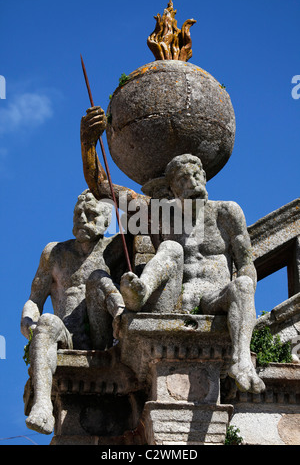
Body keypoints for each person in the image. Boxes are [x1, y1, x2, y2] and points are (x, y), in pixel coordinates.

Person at [80, 106, 266, 395]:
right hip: (177, 299)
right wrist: (89, 144)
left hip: (215, 298)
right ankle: (141, 290)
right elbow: (101, 186)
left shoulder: (227, 213)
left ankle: (241, 360)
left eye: (195, 175)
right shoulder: (161, 214)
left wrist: (245, 297)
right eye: (182, 180)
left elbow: (245, 264)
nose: (191, 182)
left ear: (204, 176)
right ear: (173, 189)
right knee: (170, 247)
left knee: (242, 284)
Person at [21, 189, 130, 434]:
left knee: (98, 278)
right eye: (77, 213)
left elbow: (144, 220)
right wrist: (30, 324)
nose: (82, 218)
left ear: (106, 221)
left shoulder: (115, 249)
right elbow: (34, 302)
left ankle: (121, 318)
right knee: (47, 321)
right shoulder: (55, 252)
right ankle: (42, 405)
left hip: (101, 334)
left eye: (90, 214)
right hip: (66, 336)